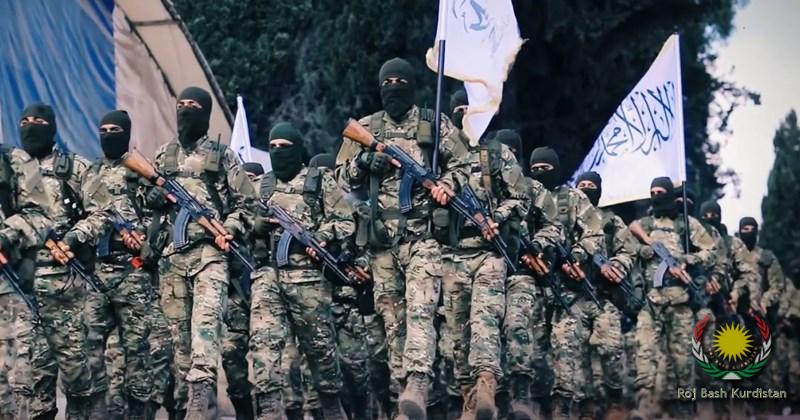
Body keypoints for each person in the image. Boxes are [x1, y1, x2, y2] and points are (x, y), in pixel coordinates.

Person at [341, 57, 469, 419]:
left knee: (421, 312)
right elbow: (339, 180)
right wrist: (363, 164)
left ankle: (418, 382)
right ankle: (409, 399)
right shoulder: (367, 127)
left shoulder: (434, 123)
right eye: (387, 83)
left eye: (400, 82)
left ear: (412, 86)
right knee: (393, 323)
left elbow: (463, 164)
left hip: (422, 238)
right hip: (381, 244)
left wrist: (446, 185)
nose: (393, 88)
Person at [143, 87, 255, 419]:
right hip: (172, 258)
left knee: (205, 329)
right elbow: (143, 201)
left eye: (193, 105)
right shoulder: (163, 156)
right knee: (180, 343)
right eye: (181, 104)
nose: (186, 110)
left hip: (210, 256)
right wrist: (152, 199)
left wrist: (229, 228)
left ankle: (199, 400)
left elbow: (248, 204)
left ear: (205, 113)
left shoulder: (222, 156)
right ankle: (189, 405)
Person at [248, 122, 353, 419]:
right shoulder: (261, 186)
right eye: (273, 147)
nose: (278, 152)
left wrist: (321, 237)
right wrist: (255, 225)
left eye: (285, 146)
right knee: (263, 342)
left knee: (320, 350)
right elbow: (238, 221)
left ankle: (331, 404)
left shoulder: (319, 182)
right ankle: (269, 406)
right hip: (269, 275)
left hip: (309, 278)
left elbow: (345, 222)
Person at [64, 110, 159, 420]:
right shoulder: (90, 172)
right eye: (103, 129)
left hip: (133, 272)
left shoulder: (141, 170)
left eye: (114, 130)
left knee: (137, 354)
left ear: (126, 133)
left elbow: (159, 215)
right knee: (88, 348)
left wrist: (144, 239)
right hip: (97, 273)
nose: (107, 135)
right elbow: (81, 216)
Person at [13, 103, 103, 419]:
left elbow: (102, 212)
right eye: (24, 121)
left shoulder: (75, 167)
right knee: (34, 375)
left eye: (37, 121)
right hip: (23, 288)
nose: (30, 126)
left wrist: (74, 238)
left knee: (78, 375)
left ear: (51, 127)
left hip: (68, 289)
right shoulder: (10, 171)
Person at [440, 123, 530, 419]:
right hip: (451, 254)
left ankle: (486, 386)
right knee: (458, 335)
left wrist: (495, 217)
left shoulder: (496, 153)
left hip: (488, 253)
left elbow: (521, 198)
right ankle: (470, 400)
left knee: (485, 322)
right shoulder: (439, 153)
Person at [527, 147, 605, 420]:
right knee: (533, 351)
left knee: (565, 350)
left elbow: (595, 233)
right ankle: (534, 406)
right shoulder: (522, 194)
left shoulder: (574, 198)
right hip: (531, 286)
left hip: (566, 289)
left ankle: (563, 407)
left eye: (546, 169)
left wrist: (577, 257)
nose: (540, 173)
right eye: (535, 169)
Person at [628, 177, 716, 419]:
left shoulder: (686, 224)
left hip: (680, 302)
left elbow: (711, 251)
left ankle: (685, 407)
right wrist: (644, 249)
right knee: (644, 353)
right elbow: (626, 250)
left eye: (661, 192)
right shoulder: (644, 224)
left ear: (670, 194)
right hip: (651, 301)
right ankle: (644, 405)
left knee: (683, 360)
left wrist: (687, 260)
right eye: (653, 192)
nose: (656, 196)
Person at [575, 171, 638, 420]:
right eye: (582, 185)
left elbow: (628, 250)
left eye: (591, 185)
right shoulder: (565, 216)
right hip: (573, 295)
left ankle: (614, 400)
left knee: (611, 349)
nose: (586, 189)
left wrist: (616, 266)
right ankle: (586, 407)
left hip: (604, 296)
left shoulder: (612, 221)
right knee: (578, 355)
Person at [0, 131, 53, 419]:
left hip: (8, 288)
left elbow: (40, 216)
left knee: (14, 378)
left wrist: (7, 236)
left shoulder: (16, 161)